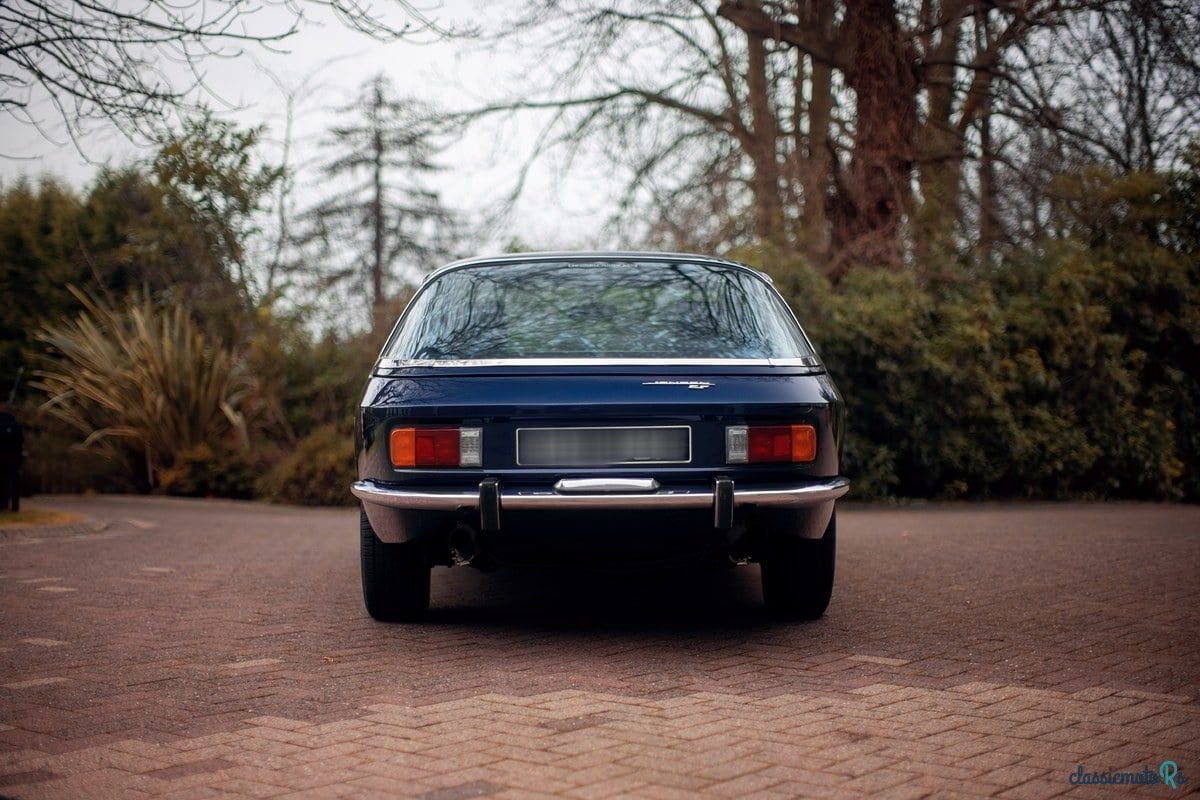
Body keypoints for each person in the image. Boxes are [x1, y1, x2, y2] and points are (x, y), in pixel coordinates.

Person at [0, 408, 23, 512]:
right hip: (14, 459)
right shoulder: (16, 427)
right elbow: (21, 441)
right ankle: (15, 507)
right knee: (13, 483)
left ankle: (3, 505)